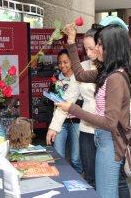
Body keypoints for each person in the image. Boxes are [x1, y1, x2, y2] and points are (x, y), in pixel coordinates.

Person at [55, 21, 131, 198]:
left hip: (109, 142)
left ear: (111, 48)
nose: (96, 49)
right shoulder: (108, 72)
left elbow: (109, 123)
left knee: (105, 194)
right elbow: (81, 74)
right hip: (104, 140)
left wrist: (73, 109)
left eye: (99, 44)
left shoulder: (115, 78)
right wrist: (71, 42)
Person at [47, 28, 98, 187]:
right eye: (85, 49)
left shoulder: (115, 68)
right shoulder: (81, 68)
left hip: (109, 132)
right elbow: (67, 99)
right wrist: (53, 127)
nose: (88, 53)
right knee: (89, 175)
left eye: (92, 48)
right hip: (87, 129)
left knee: (114, 179)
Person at [47, 49, 83, 174]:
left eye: (65, 62)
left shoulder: (80, 77)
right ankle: (61, 180)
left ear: (72, 61)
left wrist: (71, 104)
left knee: (76, 158)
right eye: (60, 62)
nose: (62, 65)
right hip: (59, 123)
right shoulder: (55, 79)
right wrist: (54, 100)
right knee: (58, 156)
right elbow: (49, 100)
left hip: (76, 122)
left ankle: (79, 183)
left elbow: (84, 102)